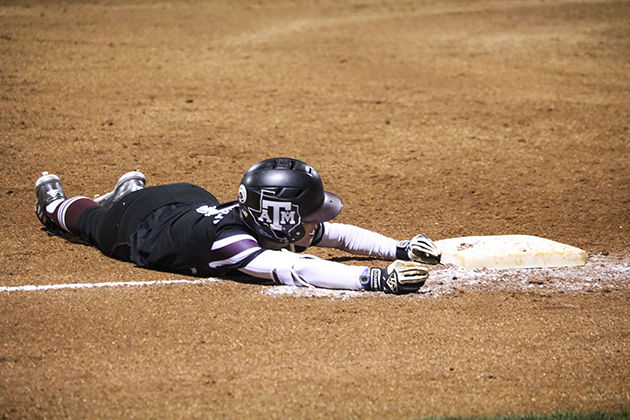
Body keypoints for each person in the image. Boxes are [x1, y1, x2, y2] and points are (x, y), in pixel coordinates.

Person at [34, 157, 441, 294]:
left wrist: (399, 249)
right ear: (276, 212)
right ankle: (53, 203)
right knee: (90, 221)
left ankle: (128, 190)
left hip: (189, 197)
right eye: (303, 211)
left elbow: (336, 233)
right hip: (135, 226)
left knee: (127, 202)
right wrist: (372, 280)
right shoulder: (229, 242)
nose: (311, 222)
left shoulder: (263, 219)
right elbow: (296, 268)